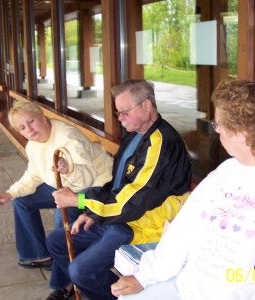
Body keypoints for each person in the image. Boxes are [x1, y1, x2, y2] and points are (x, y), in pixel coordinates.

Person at [111, 79, 255, 300]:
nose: (217, 131)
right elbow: (184, 229)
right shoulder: (230, 169)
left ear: (243, 133)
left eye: (218, 124)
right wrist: (144, 277)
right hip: (188, 288)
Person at [45, 79, 192, 300]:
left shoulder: (161, 143)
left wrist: (80, 201)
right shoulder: (135, 135)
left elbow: (133, 202)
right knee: (56, 242)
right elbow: (118, 186)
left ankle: (105, 289)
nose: (120, 118)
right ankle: (106, 291)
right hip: (123, 216)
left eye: (124, 112)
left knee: (80, 270)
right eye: (118, 113)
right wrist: (92, 212)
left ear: (146, 106)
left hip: (141, 223)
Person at [0, 101, 113, 269]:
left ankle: (67, 266)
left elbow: (87, 178)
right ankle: (39, 255)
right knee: (22, 200)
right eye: (23, 128)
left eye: (31, 121)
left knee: (62, 211)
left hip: (97, 186)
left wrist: (69, 169)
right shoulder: (34, 144)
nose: (29, 130)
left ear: (43, 117)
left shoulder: (68, 137)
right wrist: (10, 193)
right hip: (63, 185)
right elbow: (34, 174)